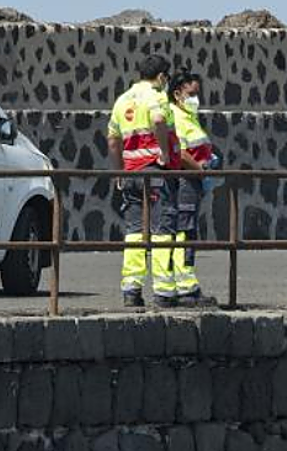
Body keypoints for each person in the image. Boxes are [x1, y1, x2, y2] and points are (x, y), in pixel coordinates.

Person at [108, 54, 181, 308]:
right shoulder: (157, 96)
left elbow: (113, 140)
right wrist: (162, 151)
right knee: (162, 230)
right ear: (161, 76)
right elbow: (159, 121)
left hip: (130, 174)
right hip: (154, 172)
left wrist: (119, 171)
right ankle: (164, 292)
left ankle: (131, 290)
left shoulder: (122, 100)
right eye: (167, 78)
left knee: (134, 232)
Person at [168, 70, 220, 305]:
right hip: (185, 180)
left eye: (197, 94)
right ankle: (185, 287)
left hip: (193, 180)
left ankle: (186, 285)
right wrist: (201, 170)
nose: (195, 99)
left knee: (187, 230)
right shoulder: (176, 116)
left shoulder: (188, 116)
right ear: (177, 93)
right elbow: (178, 151)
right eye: (191, 93)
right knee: (184, 231)